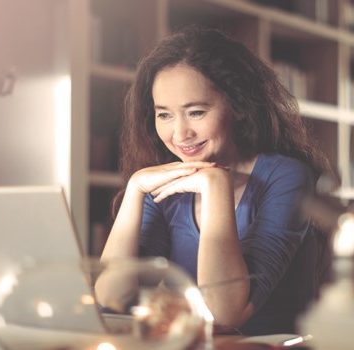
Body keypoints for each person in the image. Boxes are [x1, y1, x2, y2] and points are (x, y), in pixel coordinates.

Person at [100, 26, 330, 335]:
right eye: (164, 115)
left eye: (196, 112)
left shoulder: (287, 176)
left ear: (238, 107)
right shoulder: (168, 181)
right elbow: (111, 298)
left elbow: (224, 312)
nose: (180, 135)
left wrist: (216, 186)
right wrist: (135, 190)